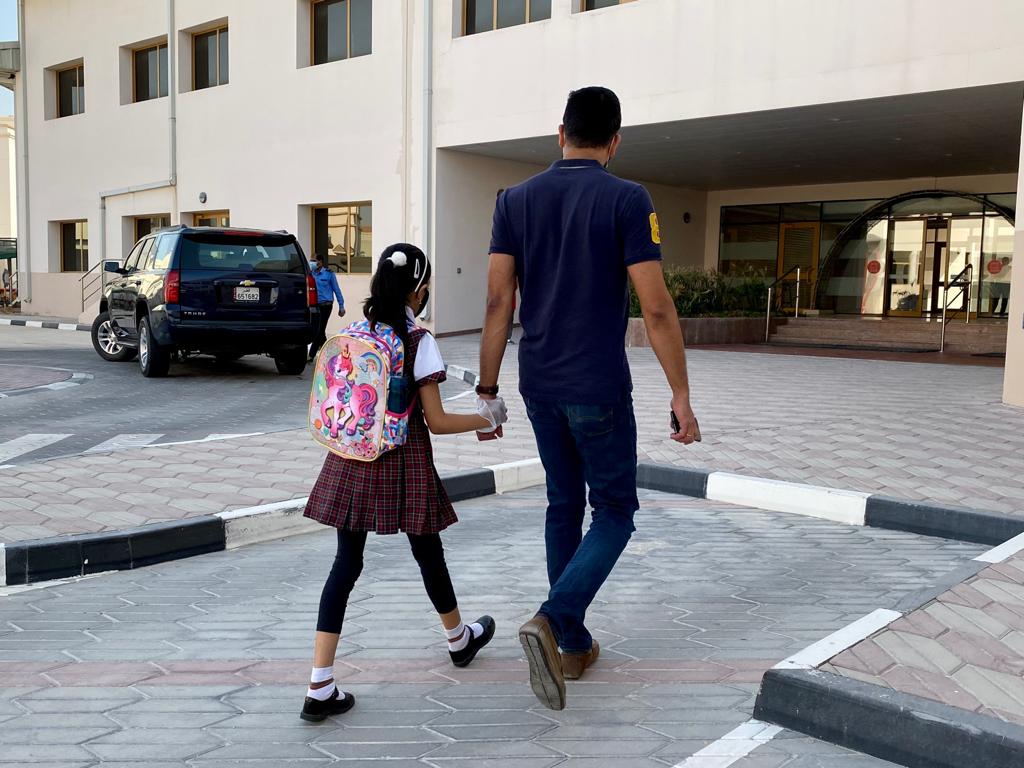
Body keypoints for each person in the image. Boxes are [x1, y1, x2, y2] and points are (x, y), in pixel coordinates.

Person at [479, 87, 700, 711]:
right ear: (615, 140)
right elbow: (656, 306)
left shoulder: (513, 202)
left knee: (560, 504)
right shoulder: (628, 200)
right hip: (598, 387)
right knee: (615, 511)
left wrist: (488, 392)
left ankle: (571, 647)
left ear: (560, 133)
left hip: (539, 383)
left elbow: (499, 303)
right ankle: (553, 620)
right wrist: (681, 394)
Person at [300, 243, 510, 722]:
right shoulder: (419, 339)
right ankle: (458, 639)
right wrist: (485, 418)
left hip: (352, 455)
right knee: (427, 550)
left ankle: (320, 683)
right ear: (419, 288)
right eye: (426, 286)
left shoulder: (356, 328)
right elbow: (434, 420)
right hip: (404, 456)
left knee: (345, 564)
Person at [309, 256, 347, 361]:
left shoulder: (329, 274)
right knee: (319, 331)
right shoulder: (310, 274)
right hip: (314, 306)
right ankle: (332, 354)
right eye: (311, 260)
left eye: (314, 261)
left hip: (326, 305)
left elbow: (337, 290)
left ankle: (312, 355)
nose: (311, 262)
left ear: (320, 262)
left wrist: (341, 306)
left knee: (319, 329)